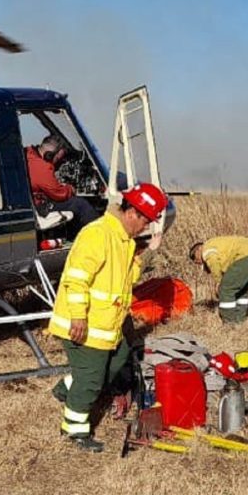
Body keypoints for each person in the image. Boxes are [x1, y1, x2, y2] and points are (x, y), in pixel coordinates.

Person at [48, 182, 167, 452]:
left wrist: (148, 252)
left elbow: (129, 277)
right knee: (91, 381)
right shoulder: (98, 234)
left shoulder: (124, 240)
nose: (147, 227)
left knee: (117, 360)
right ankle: (74, 429)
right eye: (146, 221)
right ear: (133, 213)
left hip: (108, 324)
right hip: (85, 324)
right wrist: (78, 317)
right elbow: (77, 278)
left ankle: (67, 388)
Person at [189, 236, 248, 323]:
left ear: (199, 249)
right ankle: (239, 319)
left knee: (226, 288)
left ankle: (229, 323)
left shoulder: (206, 248)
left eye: (195, 258)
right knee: (241, 289)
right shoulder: (219, 246)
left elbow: (212, 260)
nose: (197, 262)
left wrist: (218, 282)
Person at [26, 135, 97, 229]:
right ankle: (99, 235)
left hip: (30, 202)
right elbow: (59, 194)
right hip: (39, 207)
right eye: (58, 158)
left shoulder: (28, 153)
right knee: (80, 204)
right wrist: (70, 189)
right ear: (49, 155)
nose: (57, 162)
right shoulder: (41, 166)